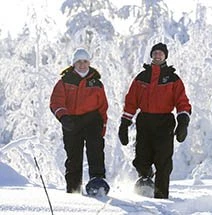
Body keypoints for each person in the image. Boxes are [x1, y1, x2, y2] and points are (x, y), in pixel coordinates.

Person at [118, 42, 192, 199]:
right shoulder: (141, 77)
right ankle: (145, 184)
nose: (158, 55)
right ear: (151, 55)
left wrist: (183, 122)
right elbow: (131, 101)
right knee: (141, 159)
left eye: (161, 53)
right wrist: (125, 123)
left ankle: (161, 196)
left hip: (164, 122)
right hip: (144, 121)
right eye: (155, 53)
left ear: (165, 56)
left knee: (163, 161)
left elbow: (182, 101)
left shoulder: (172, 78)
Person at [50, 48, 108, 193]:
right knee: (73, 155)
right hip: (71, 121)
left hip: (92, 120)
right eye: (79, 61)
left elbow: (103, 106)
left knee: (95, 150)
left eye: (85, 61)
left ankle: (97, 182)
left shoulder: (96, 82)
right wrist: (63, 117)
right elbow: (56, 102)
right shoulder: (64, 81)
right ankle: (73, 188)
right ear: (74, 63)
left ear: (89, 63)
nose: (82, 64)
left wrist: (103, 125)